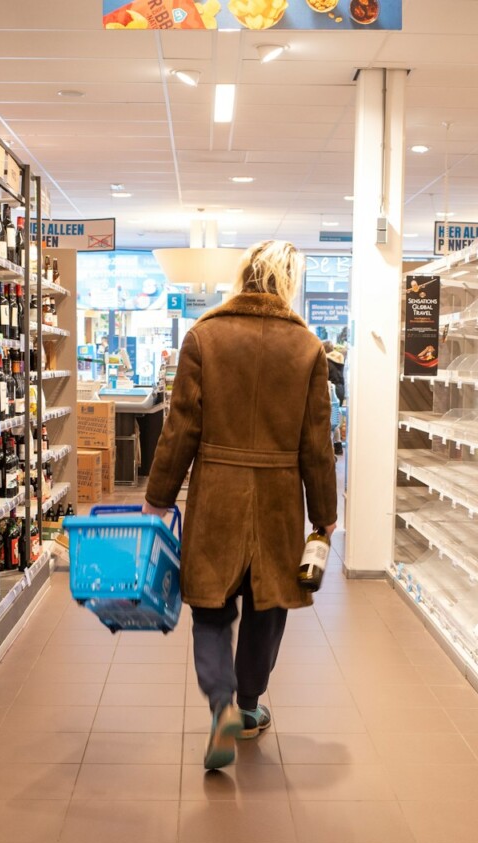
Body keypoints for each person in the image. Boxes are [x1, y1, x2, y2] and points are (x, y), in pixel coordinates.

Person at [142, 240, 337, 771]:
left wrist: (159, 497)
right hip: (277, 498)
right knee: (267, 605)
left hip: (219, 493)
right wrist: (324, 513)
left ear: (243, 276)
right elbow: (316, 445)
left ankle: (222, 704)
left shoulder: (204, 335)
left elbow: (179, 428)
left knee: (210, 607)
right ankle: (250, 704)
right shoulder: (307, 348)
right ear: (287, 283)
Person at [323, 342, 345, 454]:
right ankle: (338, 445)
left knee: (328, 419)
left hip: (331, 389)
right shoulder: (339, 360)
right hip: (340, 390)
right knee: (335, 419)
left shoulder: (326, 361)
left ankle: (328, 447)